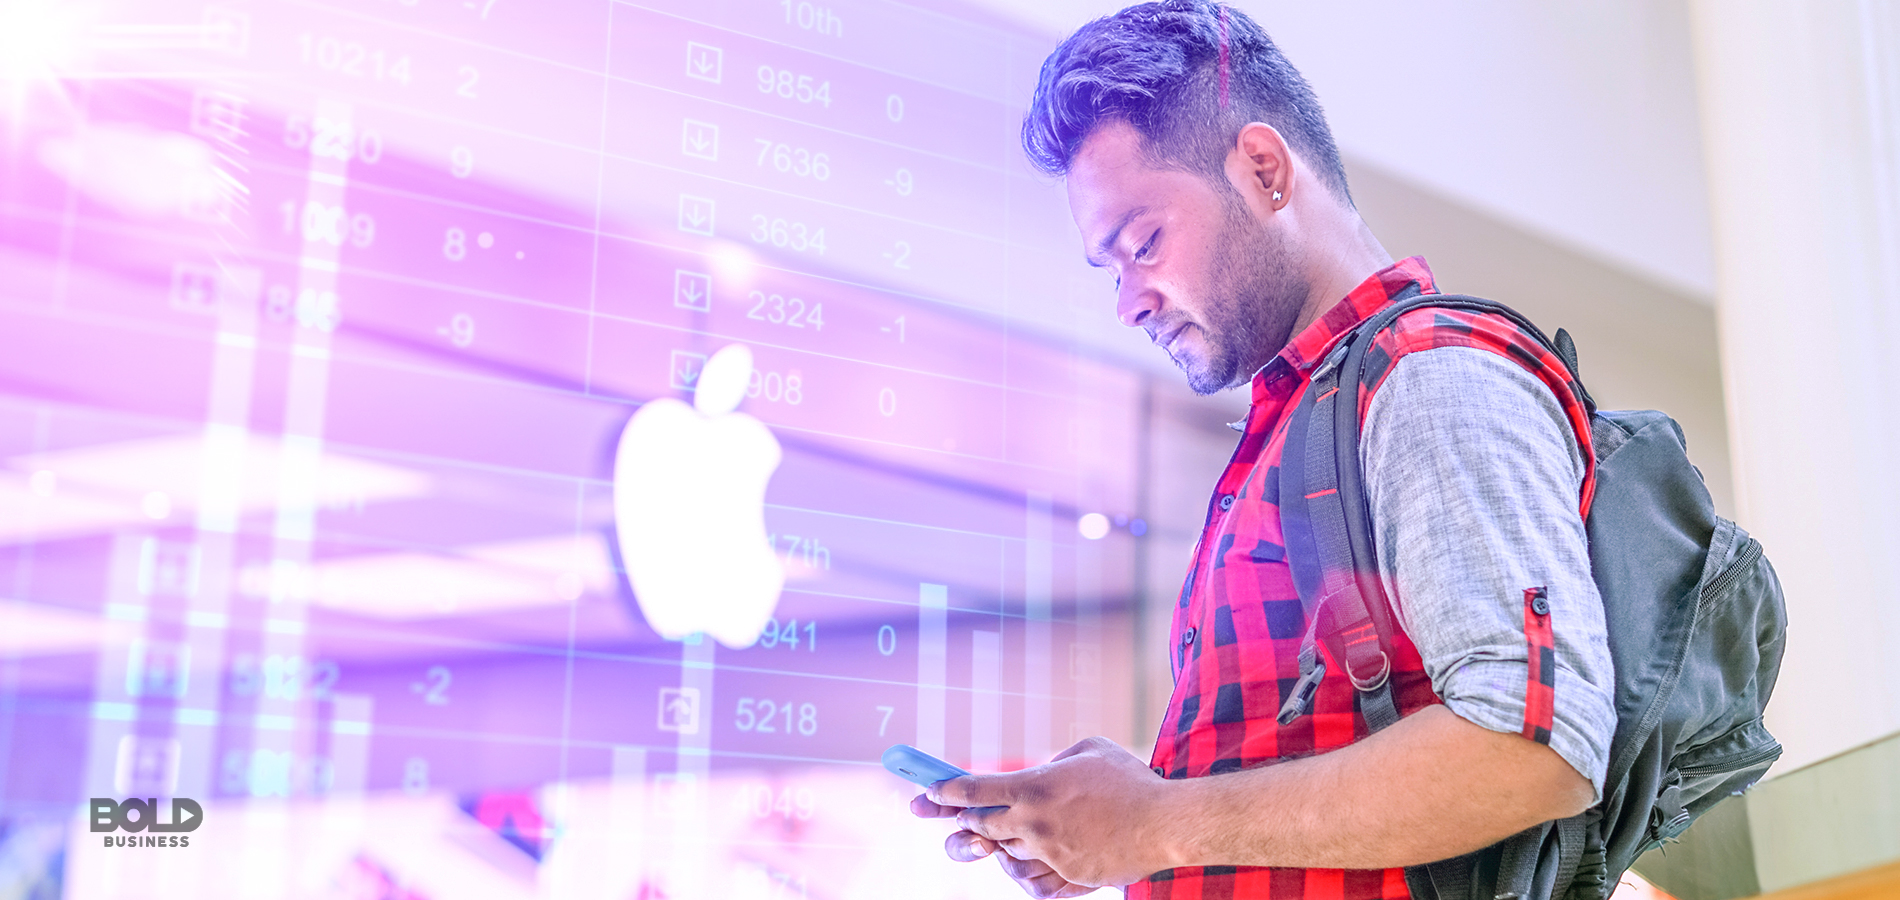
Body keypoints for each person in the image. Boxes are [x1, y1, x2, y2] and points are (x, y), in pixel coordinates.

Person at [906, 2, 1617, 898]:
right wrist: (1121, 818)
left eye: (1143, 243)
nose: (1129, 301)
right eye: (1113, 268)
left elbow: (1533, 745)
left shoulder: (1427, 375)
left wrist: (1156, 822)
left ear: (1265, 171)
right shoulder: (1299, 428)